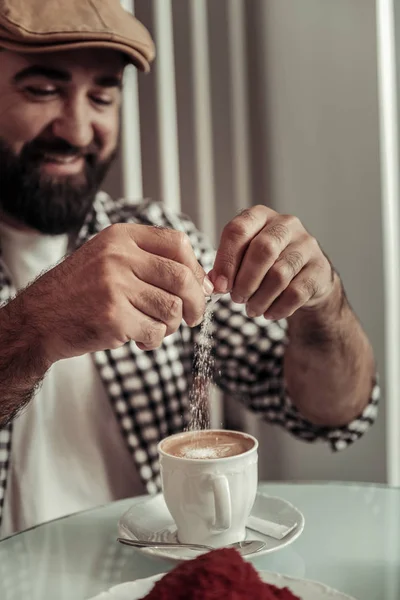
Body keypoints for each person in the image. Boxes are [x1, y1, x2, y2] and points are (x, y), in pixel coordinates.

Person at [0, 0, 379, 539]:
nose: (79, 130)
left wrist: (321, 304)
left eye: (103, 95)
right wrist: (35, 325)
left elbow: (330, 414)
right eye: (42, 89)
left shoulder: (154, 233)